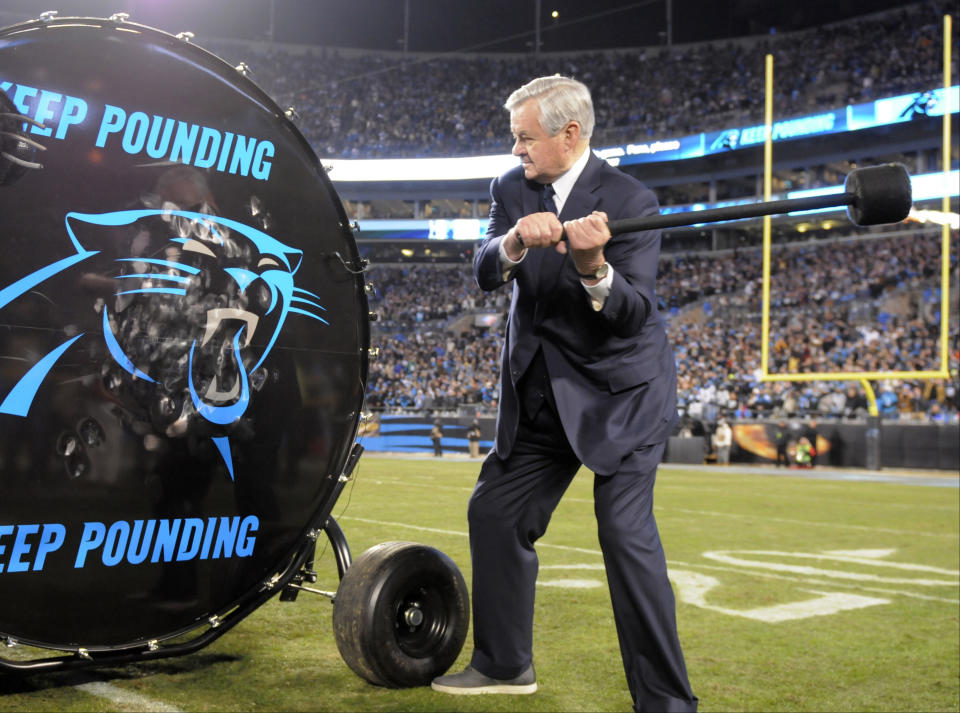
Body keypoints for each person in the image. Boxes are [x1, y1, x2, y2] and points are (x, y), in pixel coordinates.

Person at [431, 76, 697, 712]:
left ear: (569, 133)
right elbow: (484, 268)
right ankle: (503, 665)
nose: (516, 148)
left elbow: (632, 315)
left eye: (526, 137)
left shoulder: (633, 199)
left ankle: (666, 704)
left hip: (623, 397)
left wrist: (593, 269)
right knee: (495, 513)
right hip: (544, 393)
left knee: (624, 536)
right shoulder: (510, 188)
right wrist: (516, 241)